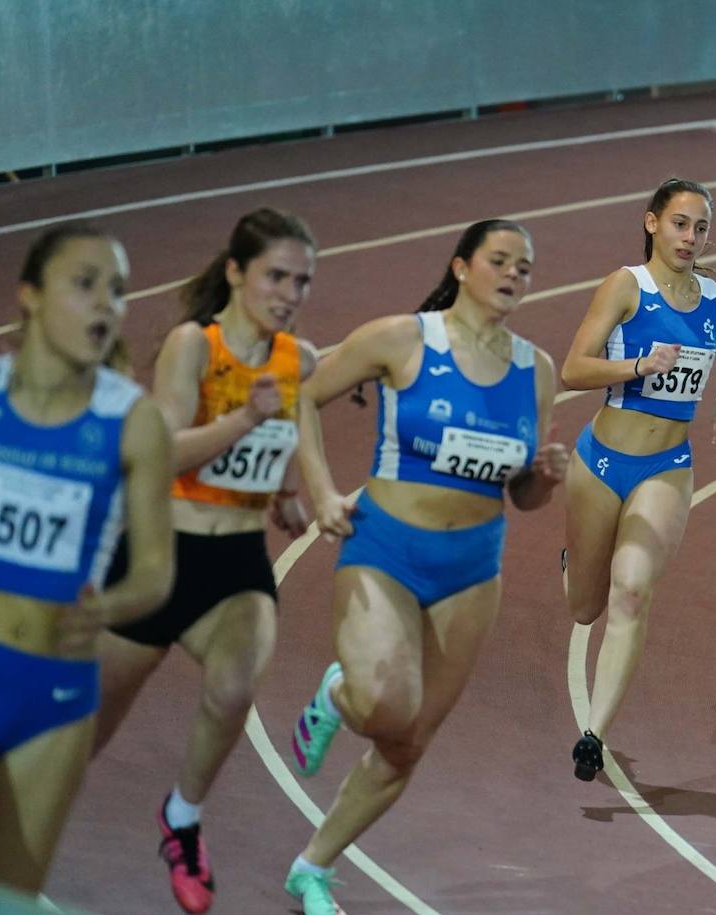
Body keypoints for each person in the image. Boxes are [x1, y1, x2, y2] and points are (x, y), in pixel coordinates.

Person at [282, 219, 568, 915]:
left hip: (472, 567)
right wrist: (319, 489)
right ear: (462, 265)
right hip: (384, 548)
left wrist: (544, 479)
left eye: (524, 268)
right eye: (499, 260)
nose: (513, 275)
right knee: (383, 702)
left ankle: (312, 867)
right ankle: (338, 693)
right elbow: (299, 393)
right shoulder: (403, 338)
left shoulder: (537, 370)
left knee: (407, 743)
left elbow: (521, 495)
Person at [0, 224, 174, 894]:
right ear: (28, 295)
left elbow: (155, 573)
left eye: (119, 291)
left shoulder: (135, 423)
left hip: (56, 698)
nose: (107, 303)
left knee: (5, 903)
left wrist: (110, 604)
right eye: (85, 284)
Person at [92, 207, 318, 914]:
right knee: (78, 736)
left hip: (238, 562)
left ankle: (182, 817)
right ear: (235, 272)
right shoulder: (195, 345)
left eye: (301, 281)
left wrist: (284, 494)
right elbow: (159, 457)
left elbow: (277, 441)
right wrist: (240, 421)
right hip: (160, 556)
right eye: (275, 275)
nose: (287, 292)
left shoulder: (296, 361)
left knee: (234, 686)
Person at [559, 177, 716, 781]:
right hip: (599, 465)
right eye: (679, 223)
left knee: (633, 592)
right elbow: (572, 369)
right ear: (651, 223)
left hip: (666, 468)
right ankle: (576, 562)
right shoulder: (626, 287)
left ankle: (593, 734)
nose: (690, 237)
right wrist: (640, 365)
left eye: (700, 228)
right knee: (586, 608)